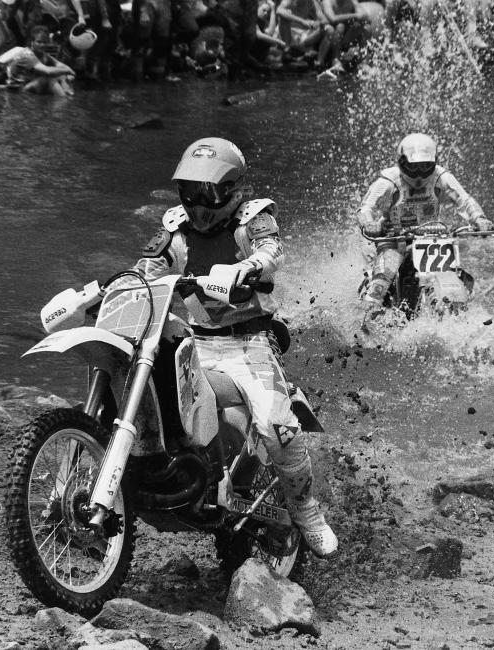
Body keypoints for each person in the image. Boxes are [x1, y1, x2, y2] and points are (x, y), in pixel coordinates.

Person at [132, 137, 339, 559]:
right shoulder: (176, 227)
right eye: (189, 191)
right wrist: (125, 284)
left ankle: (306, 509)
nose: (197, 202)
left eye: (206, 192)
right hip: (194, 340)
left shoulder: (252, 219)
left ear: (230, 189)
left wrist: (247, 266)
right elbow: (148, 266)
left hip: (250, 343)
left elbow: (272, 251)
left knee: (276, 428)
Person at [355, 133, 494, 318]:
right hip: (394, 239)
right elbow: (365, 208)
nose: (420, 175)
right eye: (414, 167)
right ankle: (364, 319)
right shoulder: (388, 181)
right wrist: (369, 223)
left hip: (432, 239)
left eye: (425, 167)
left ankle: (463, 317)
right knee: (380, 284)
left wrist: (479, 219)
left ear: (434, 162)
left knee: (460, 277)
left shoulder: (441, 177)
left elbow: (464, 200)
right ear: (402, 162)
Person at [0, 24, 74, 92]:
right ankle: (64, 103)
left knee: (60, 76)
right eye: (39, 42)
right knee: (49, 79)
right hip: (18, 89)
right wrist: (67, 71)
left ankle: (66, 98)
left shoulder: (43, 55)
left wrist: (65, 77)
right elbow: (48, 71)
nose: (42, 45)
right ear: (32, 42)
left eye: (45, 42)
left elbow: (60, 65)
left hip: (31, 84)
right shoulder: (27, 55)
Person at [276, 0, 333, 70]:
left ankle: (319, 63)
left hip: (304, 37)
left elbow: (324, 19)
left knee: (329, 29)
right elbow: (279, 11)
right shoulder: (288, 1)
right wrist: (302, 21)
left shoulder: (312, 2)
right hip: (288, 36)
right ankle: (287, 52)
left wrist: (317, 23)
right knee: (284, 15)